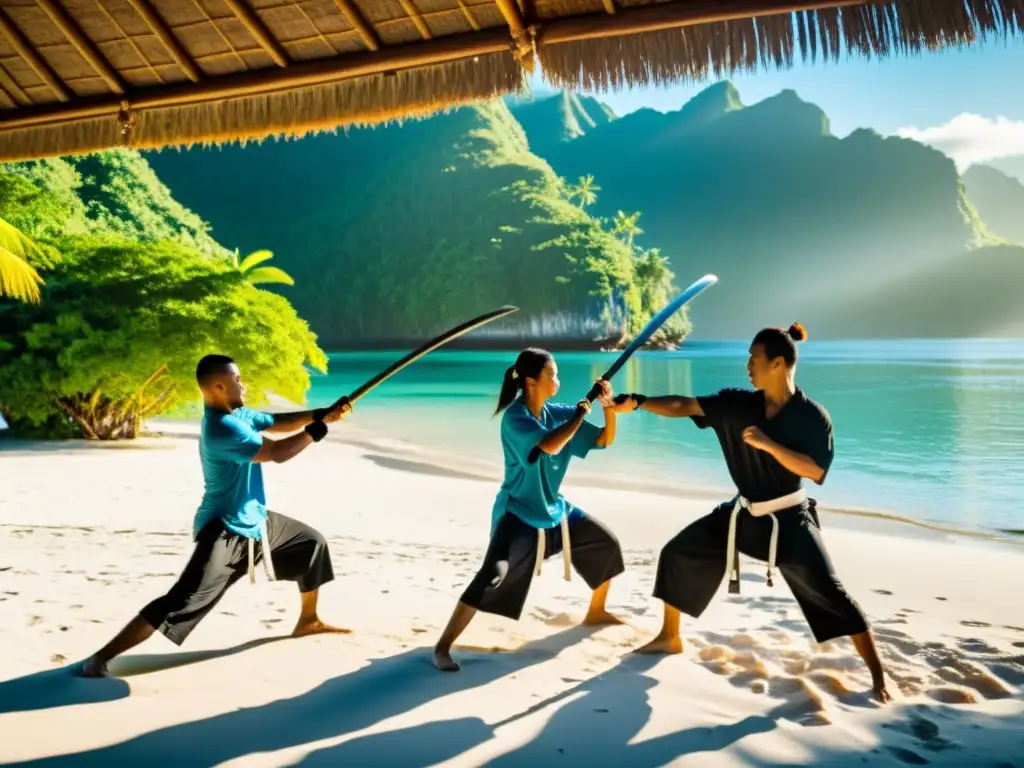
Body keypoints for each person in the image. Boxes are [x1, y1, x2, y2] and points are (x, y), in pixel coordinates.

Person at [618, 323, 893, 702]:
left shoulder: (813, 417)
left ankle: (879, 676)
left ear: (778, 363)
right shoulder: (737, 404)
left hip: (790, 521)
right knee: (678, 553)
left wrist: (768, 445)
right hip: (742, 515)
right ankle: (670, 637)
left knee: (833, 593)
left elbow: (815, 471)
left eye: (754, 359)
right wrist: (636, 400)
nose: (748, 365)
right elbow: (684, 405)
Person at [77, 354, 352, 678]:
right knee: (182, 599)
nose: (243, 384)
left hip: (255, 519)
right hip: (225, 528)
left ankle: (308, 621)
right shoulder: (223, 429)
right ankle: (99, 659)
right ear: (219, 387)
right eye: (237, 380)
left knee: (311, 544)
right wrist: (315, 432)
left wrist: (322, 414)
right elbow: (276, 453)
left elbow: (278, 422)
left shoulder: (238, 413)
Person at [432, 348, 627, 672]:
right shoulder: (515, 418)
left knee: (606, 544)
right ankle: (441, 648)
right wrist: (579, 414)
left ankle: (596, 611)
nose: (557, 381)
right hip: (518, 512)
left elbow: (605, 440)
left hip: (553, 508)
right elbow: (549, 444)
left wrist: (607, 407)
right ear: (531, 381)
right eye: (552, 375)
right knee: (491, 576)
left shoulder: (559, 413)